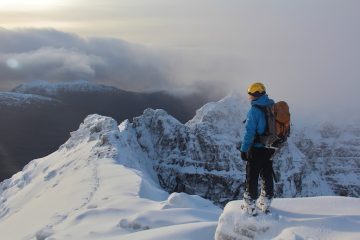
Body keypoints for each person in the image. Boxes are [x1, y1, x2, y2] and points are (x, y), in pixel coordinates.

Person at [240, 82, 275, 215]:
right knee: (267, 173)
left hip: (257, 148)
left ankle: (249, 205)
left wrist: (244, 150)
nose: (250, 98)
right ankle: (265, 202)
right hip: (270, 147)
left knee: (252, 176)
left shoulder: (254, 111)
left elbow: (249, 133)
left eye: (251, 95)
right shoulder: (271, 105)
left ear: (255, 95)